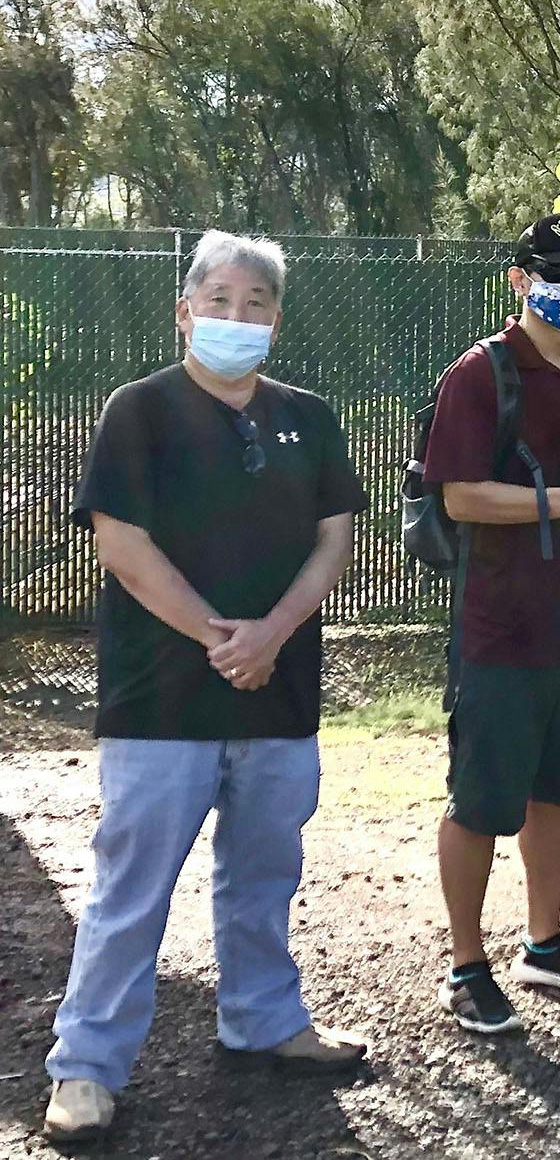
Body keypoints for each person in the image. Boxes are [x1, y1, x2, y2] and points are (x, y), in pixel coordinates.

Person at [45, 231, 370, 1143]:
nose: (237, 316)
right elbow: (121, 543)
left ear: (276, 319)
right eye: (219, 300)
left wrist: (271, 635)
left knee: (265, 876)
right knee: (130, 890)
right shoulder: (139, 410)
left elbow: (334, 540)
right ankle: (85, 1068)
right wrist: (220, 638)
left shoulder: (309, 417)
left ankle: (265, 1022)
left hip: (279, 691)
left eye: (256, 302)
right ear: (184, 311)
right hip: (162, 701)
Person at [424, 213, 560, 1036]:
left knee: (558, 790)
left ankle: (544, 944)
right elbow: (461, 497)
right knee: (481, 800)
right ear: (520, 280)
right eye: (559, 274)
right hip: (501, 629)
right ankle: (466, 966)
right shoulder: (480, 373)